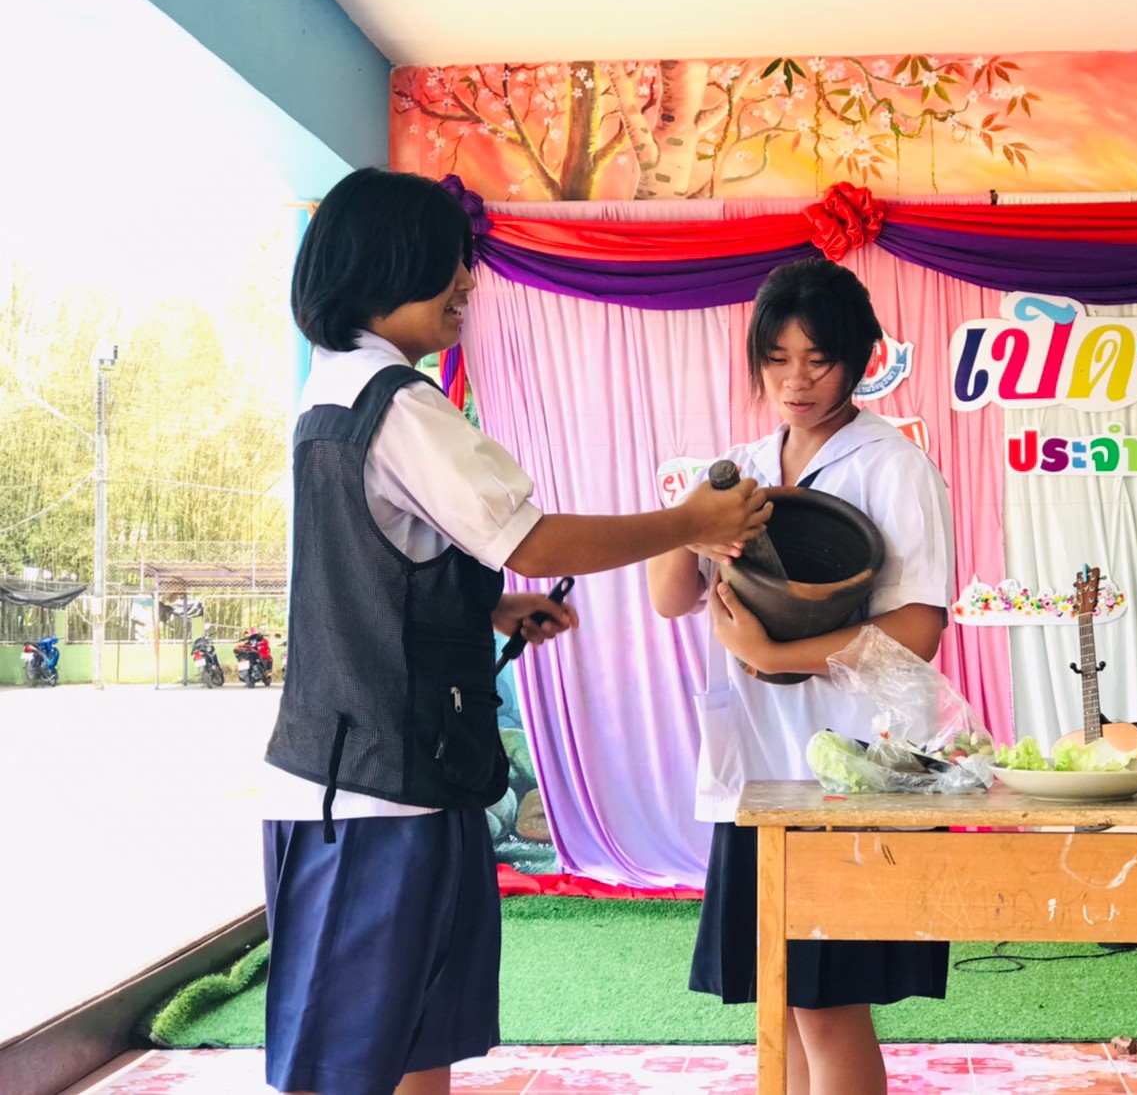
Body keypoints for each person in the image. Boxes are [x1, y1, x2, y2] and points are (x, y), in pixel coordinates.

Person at [260, 166, 771, 1095]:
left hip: (373, 776)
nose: (468, 281)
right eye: (449, 262)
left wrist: (484, 609)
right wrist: (690, 523)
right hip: (380, 794)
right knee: (364, 1062)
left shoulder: (327, 395)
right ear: (384, 268)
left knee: (413, 1045)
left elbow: (367, 572)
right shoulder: (399, 403)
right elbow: (532, 541)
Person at [646, 258, 955, 1095]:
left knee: (828, 1007)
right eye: (777, 359)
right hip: (758, 769)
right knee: (778, 1000)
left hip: (851, 773)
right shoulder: (740, 468)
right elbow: (671, 599)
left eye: (819, 360)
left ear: (860, 360)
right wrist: (689, 527)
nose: (796, 381)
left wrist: (775, 656)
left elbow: (918, 632)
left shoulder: (891, 466)